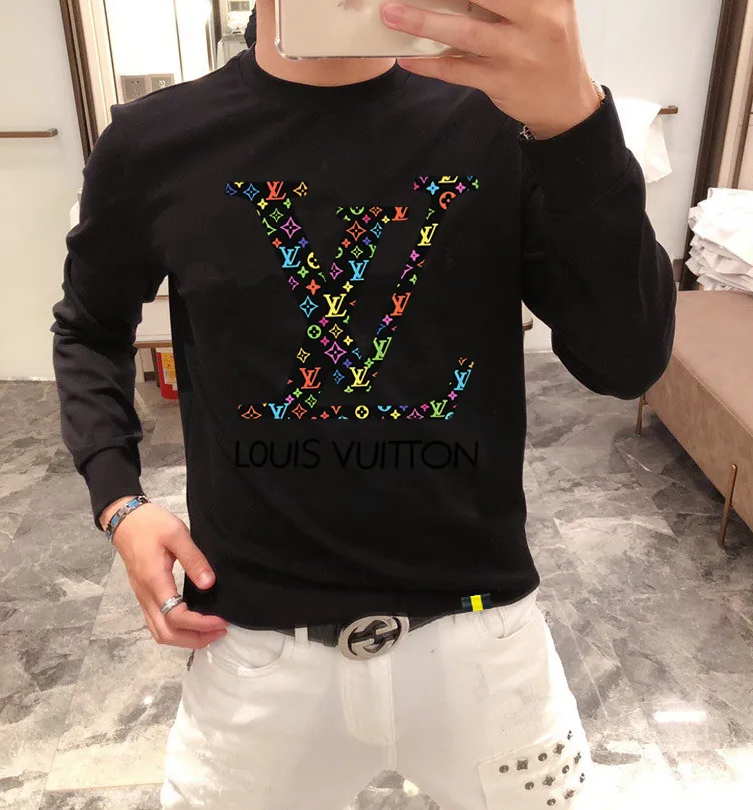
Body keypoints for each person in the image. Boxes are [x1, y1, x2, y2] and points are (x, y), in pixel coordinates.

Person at [52, 1, 676, 807]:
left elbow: (626, 360)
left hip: (483, 642)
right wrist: (119, 501)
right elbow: (90, 325)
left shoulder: (500, 122)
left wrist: (576, 125)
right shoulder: (154, 141)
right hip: (255, 653)